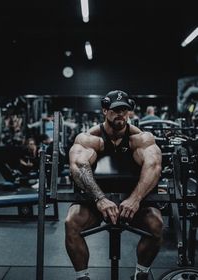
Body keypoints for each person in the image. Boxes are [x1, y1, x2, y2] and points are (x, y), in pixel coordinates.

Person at [65, 90, 163, 280]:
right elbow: (78, 166)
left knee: (156, 224)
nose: (121, 114)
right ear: (105, 110)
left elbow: (154, 166)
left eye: (125, 110)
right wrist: (100, 199)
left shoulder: (141, 139)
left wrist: (135, 199)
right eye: (116, 110)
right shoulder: (90, 139)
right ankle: (82, 277)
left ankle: (141, 274)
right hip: (96, 199)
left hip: (133, 200)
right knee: (72, 223)